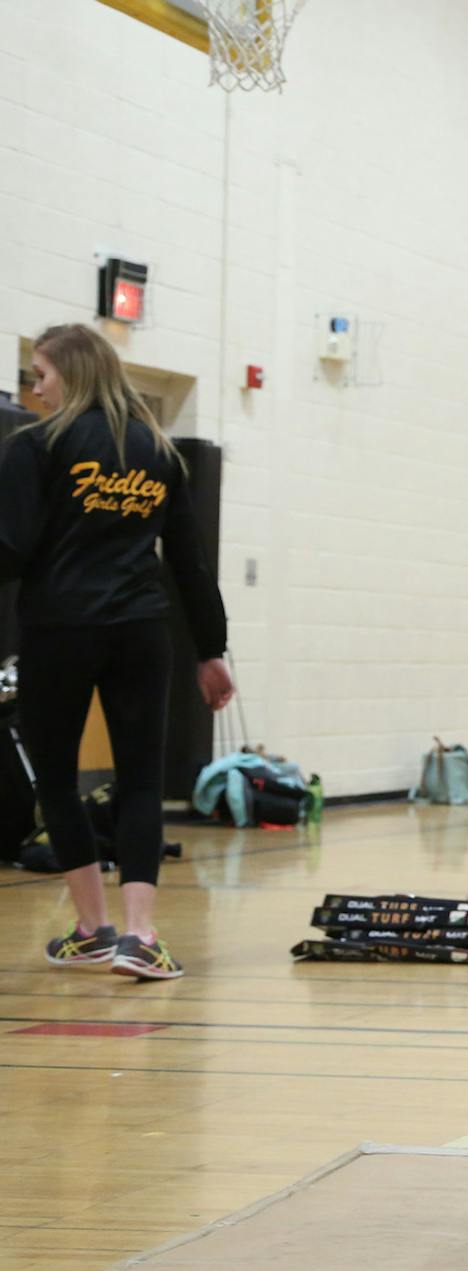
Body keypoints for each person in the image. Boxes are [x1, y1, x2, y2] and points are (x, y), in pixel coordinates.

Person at [0, 323, 234, 981]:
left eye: (41, 374)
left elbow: (13, 546)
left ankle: (92, 928)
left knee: (57, 780)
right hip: (140, 631)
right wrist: (211, 650)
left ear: (69, 372)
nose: (35, 388)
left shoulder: (36, 446)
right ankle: (140, 935)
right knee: (138, 781)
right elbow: (189, 564)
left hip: (59, 629)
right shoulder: (157, 450)